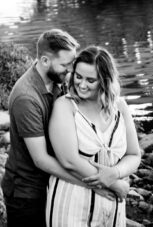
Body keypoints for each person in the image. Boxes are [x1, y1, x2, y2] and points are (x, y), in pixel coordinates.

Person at [2, 29, 96, 227]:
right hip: (25, 193)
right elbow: (41, 159)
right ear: (45, 61)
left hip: (49, 184)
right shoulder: (26, 98)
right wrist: (91, 184)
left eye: (71, 64)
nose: (70, 71)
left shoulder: (55, 80)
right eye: (65, 65)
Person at [46, 46, 141, 227]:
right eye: (78, 76)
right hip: (71, 205)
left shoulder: (120, 107)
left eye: (91, 80)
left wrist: (115, 173)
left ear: (105, 81)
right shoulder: (65, 106)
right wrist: (113, 185)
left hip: (113, 209)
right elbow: (69, 161)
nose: (82, 85)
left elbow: (134, 154)